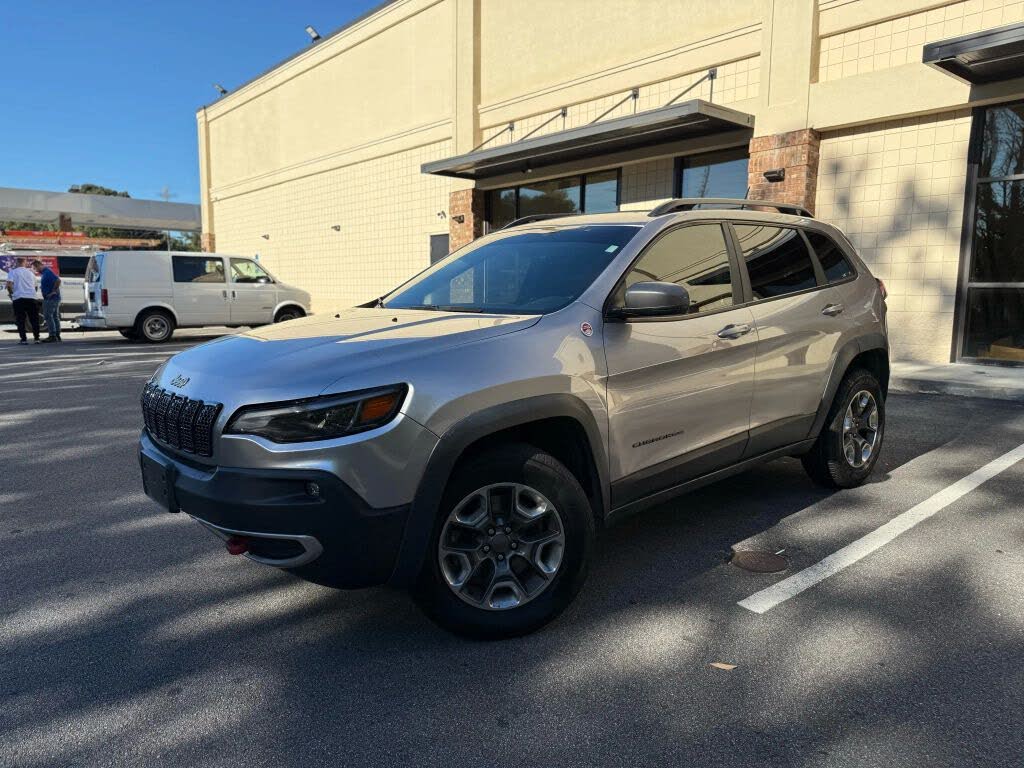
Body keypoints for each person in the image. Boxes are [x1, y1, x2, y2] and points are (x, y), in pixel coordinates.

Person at [5, 257, 41, 345]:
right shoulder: (31, 273)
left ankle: (24, 340)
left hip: (19, 298)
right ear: (25, 263)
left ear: (17, 263)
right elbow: (35, 287)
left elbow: (9, 285)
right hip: (31, 298)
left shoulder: (13, 272)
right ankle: (36, 339)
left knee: (20, 319)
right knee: (34, 319)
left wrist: (11, 294)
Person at [35, 259, 62, 342]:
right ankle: (57, 335)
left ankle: (52, 335)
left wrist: (53, 291)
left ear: (39, 265)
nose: (36, 270)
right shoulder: (45, 273)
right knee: (54, 316)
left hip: (51, 299)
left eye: (35, 268)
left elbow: (58, 280)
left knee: (48, 316)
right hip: (53, 298)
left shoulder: (47, 272)